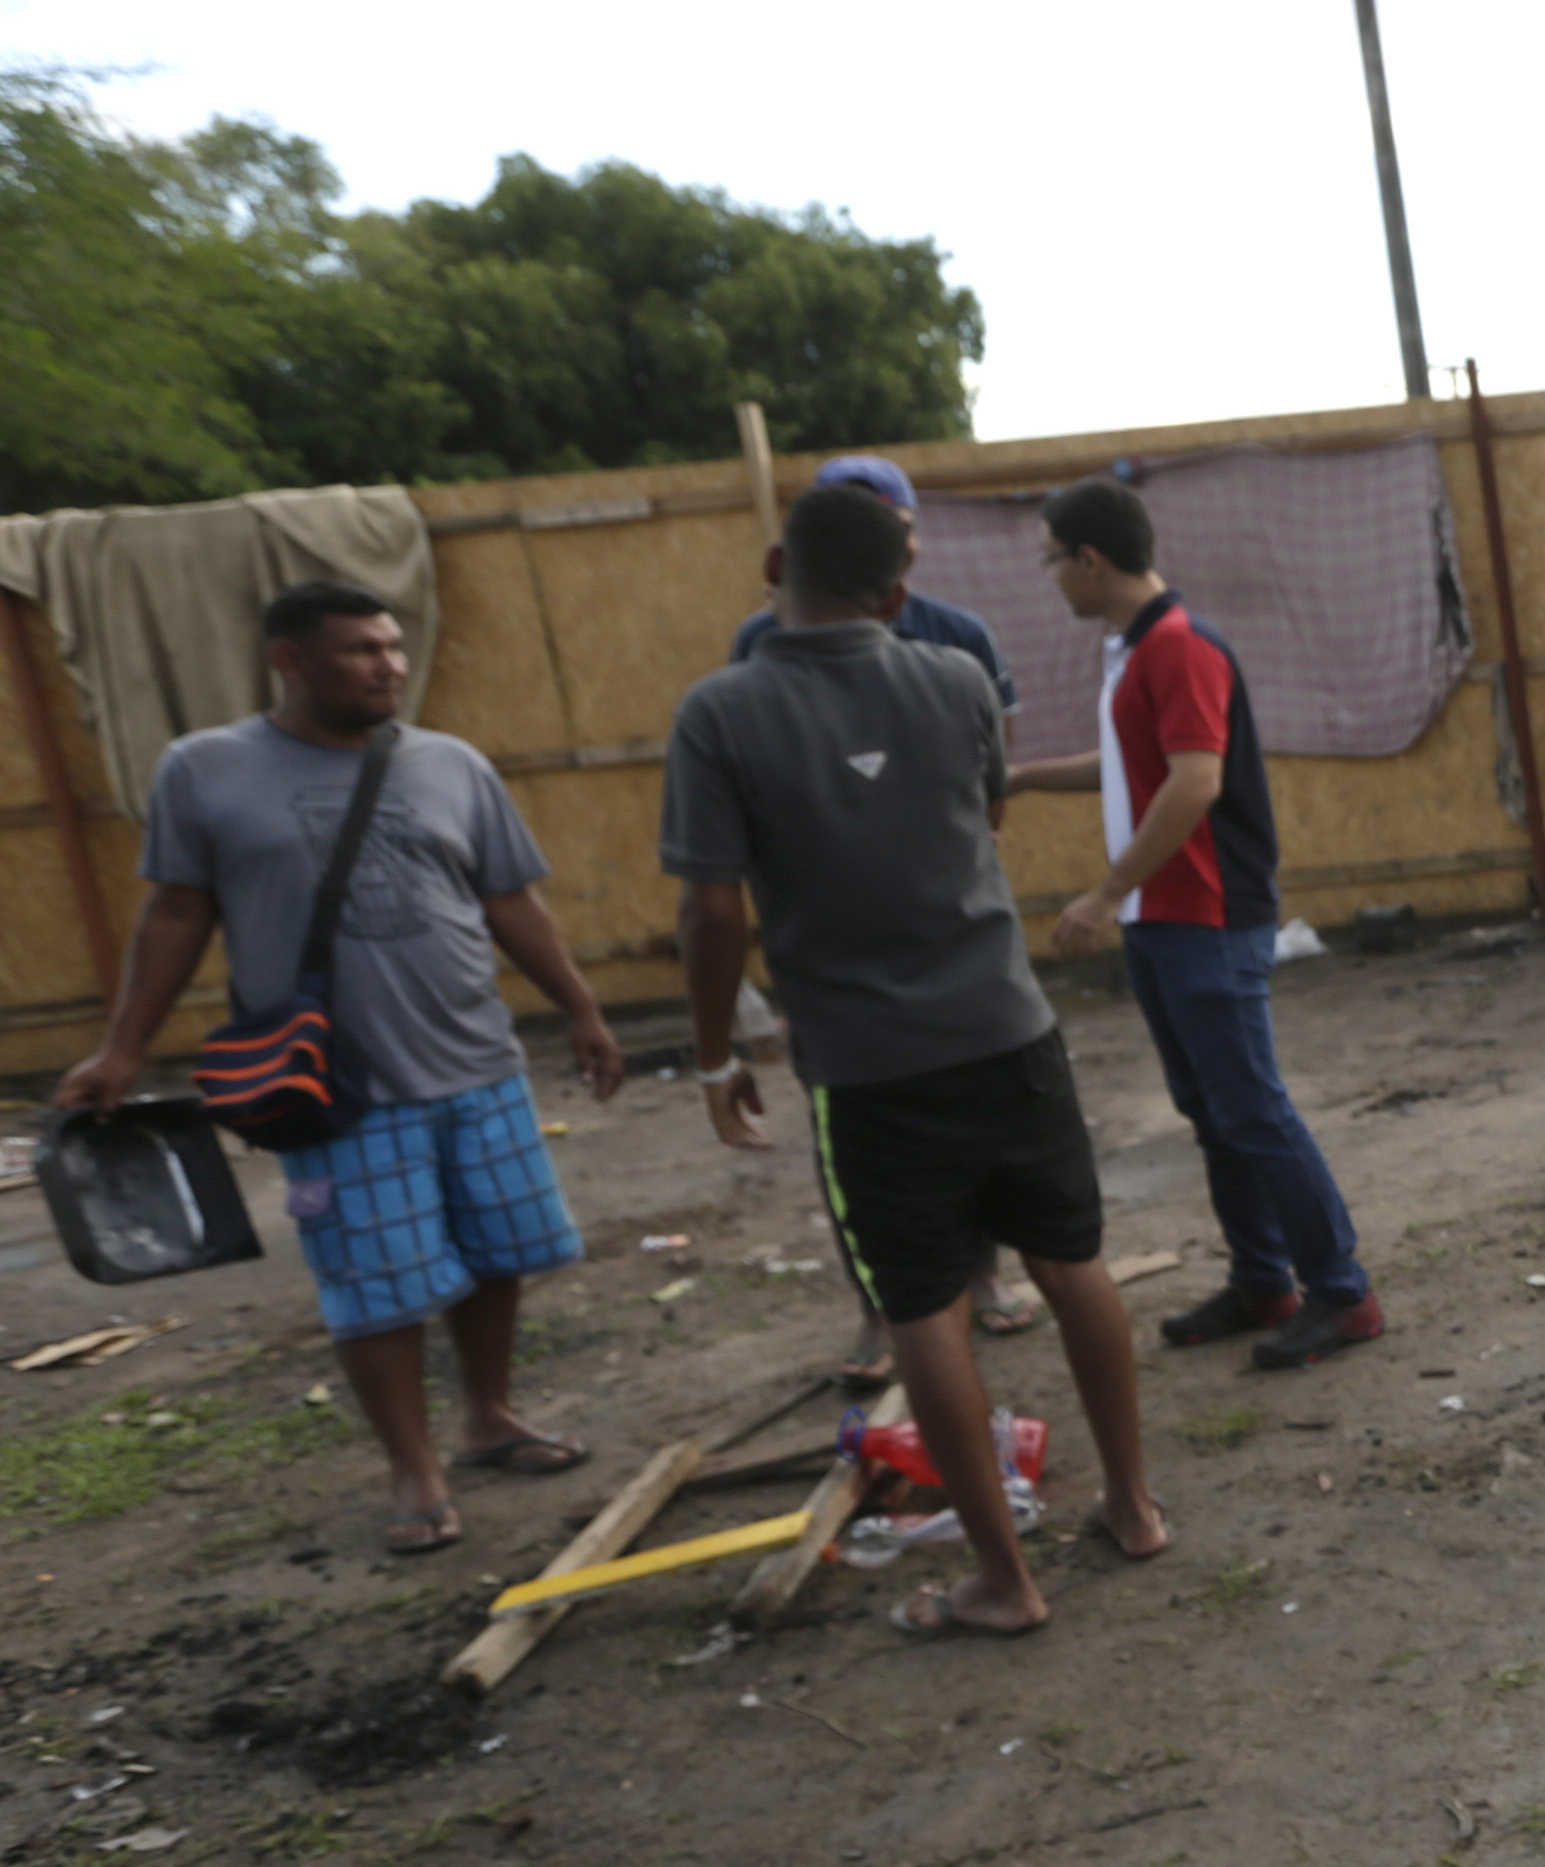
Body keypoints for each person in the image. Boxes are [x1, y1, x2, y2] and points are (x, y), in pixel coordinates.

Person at [663, 482, 1170, 1637]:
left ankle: (1005, 1581)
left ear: (770, 566)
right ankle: (1135, 1509)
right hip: (1007, 1030)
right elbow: (976, 818)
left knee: (923, 1313)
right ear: (899, 591)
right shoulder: (951, 678)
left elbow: (711, 913)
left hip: (867, 1068)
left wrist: (711, 1058)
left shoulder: (719, 714)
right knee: (1072, 1262)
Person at [56, 581, 623, 1554]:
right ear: (290, 660)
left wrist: (579, 1009)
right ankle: (415, 1469)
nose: (388, 665)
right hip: (334, 1088)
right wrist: (123, 1048)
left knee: (499, 1255)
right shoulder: (208, 770)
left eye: (393, 647)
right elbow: (176, 916)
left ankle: (488, 1416)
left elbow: (511, 902)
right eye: (362, 649)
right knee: (377, 1285)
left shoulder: (453, 765)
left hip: (476, 1062)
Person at [1009, 474, 1384, 1369]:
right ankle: (1264, 1280)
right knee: (1214, 1113)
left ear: (1091, 559)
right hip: (1163, 917)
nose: (1051, 576)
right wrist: (1021, 779)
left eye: (1053, 560)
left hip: (1205, 915)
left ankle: (1343, 1292)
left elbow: (1194, 781)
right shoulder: (1138, 653)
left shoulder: (1177, 648)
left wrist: (1104, 892)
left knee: (1251, 1108)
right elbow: (1131, 764)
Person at [725, 451, 1044, 1374]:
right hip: (829, 948)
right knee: (854, 1131)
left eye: (887, 523)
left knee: (979, 1111)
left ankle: (982, 1275)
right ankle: (882, 1307)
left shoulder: (956, 637)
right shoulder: (758, 644)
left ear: (909, 542)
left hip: (951, 926)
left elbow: (993, 786)